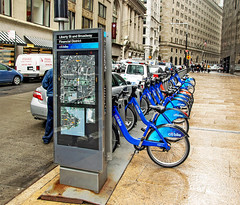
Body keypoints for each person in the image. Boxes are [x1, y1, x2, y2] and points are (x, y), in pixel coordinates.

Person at [42, 68, 53, 144]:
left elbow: (44, 84)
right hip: (63, 97)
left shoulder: (50, 71)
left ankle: (47, 138)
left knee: (51, 117)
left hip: (51, 96)